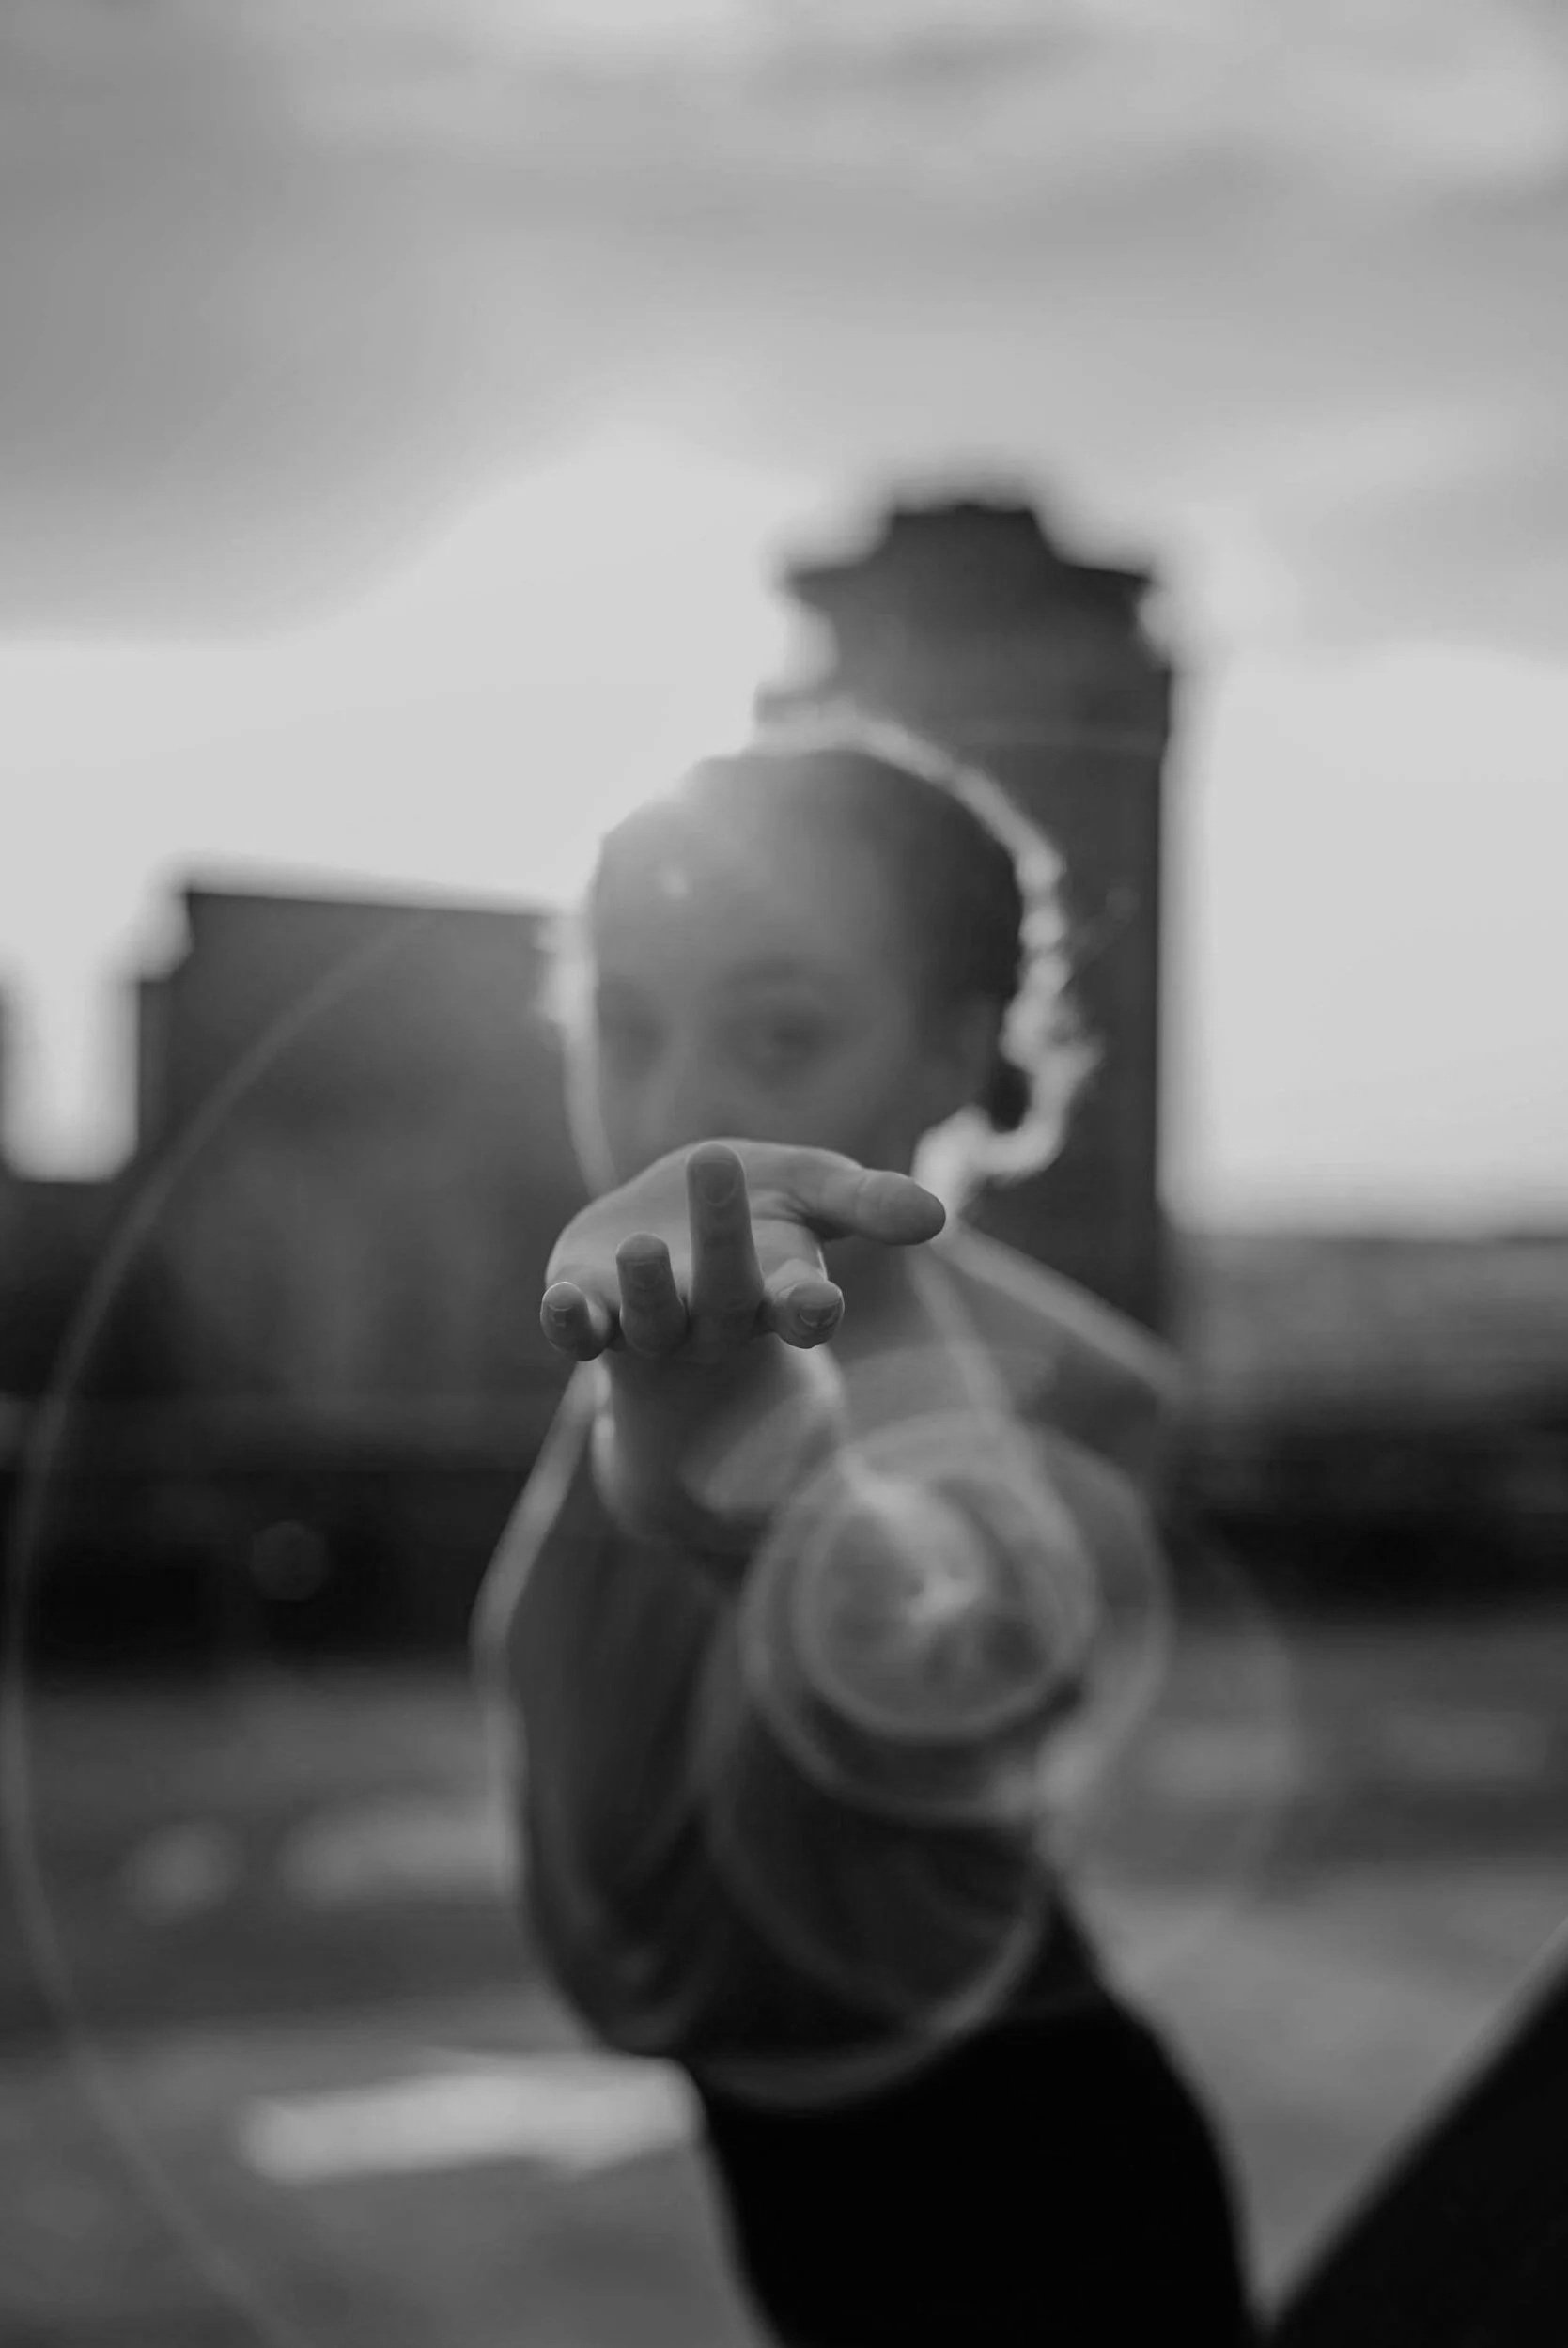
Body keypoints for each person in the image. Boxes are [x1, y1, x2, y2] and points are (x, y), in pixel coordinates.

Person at [473, 718, 1257, 2345]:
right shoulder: (647, 1314)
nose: (678, 1105)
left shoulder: (1056, 1388)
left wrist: (743, 1491)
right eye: (625, 1023)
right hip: (811, 2188)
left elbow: (957, 1647)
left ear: (950, 1053)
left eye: (779, 1033)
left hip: (1024, 2217)